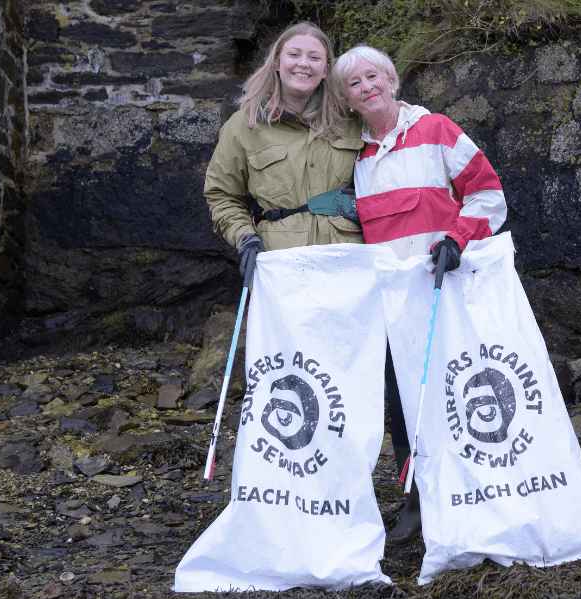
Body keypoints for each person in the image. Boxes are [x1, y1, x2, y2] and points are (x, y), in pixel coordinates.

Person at [330, 45, 508, 546]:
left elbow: (488, 193)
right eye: (354, 85)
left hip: (442, 292)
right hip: (387, 304)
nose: (367, 88)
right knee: (401, 403)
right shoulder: (354, 155)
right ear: (346, 99)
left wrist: (457, 237)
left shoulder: (437, 130)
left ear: (391, 80)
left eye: (373, 77)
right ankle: (415, 498)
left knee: (453, 393)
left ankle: (472, 489)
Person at [205, 21, 365, 277]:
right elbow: (222, 195)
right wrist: (245, 236)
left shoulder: (352, 121)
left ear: (325, 69)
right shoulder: (243, 126)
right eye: (294, 54)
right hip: (279, 264)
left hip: (349, 261)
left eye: (314, 57)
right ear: (277, 63)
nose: (304, 63)